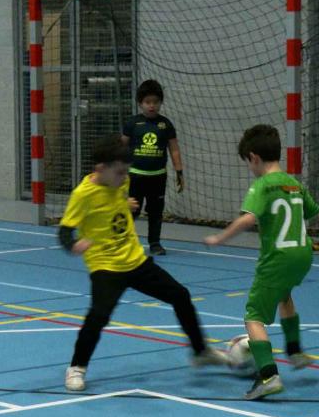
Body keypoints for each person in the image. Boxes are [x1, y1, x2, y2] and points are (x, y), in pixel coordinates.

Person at [58, 134, 228, 392]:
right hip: (106, 266)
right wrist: (74, 245)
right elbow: (64, 231)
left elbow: (113, 204)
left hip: (135, 260)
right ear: (100, 169)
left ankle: (200, 351)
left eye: (126, 172)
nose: (124, 177)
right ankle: (77, 367)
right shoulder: (83, 195)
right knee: (99, 315)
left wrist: (124, 203)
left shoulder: (120, 183)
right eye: (119, 173)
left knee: (180, 295)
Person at [203, 124, 319, 400]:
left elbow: (248, 219)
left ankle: (268, 376)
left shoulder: (262, 186)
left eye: (248, 164)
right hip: (303, 256)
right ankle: (295, 350)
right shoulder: (294, 183)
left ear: (254, 158)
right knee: (284, 294)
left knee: (253, 315)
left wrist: (220, 238)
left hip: (277, 258)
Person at [121, 79, 184, 256]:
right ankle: (124, 241)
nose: (152, 106)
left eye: (155, 102)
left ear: (160, 103)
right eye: (148, 102)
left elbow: (174, 149)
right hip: (135, 176)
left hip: (157, 176)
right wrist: (119, 170)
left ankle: (154, 243)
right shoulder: (133, 124)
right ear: (140, 103)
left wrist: (179, 172)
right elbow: (122, 147)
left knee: (156, 212)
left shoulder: (166, 124)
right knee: (131, 209)